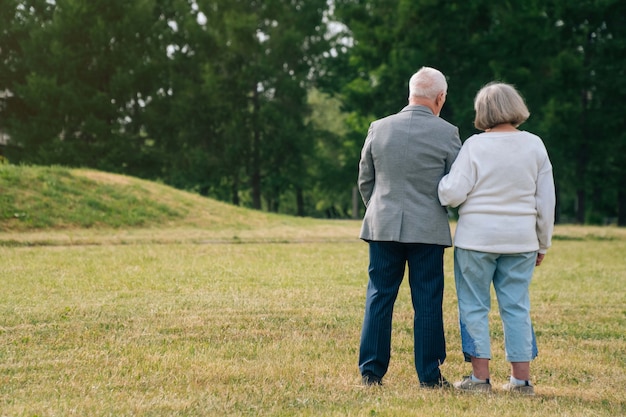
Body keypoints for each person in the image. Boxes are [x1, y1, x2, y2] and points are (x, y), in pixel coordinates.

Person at [438, 82, 556, 395]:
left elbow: (452, 193)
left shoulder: (475, 146)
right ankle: (521, 382)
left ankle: (479, 379)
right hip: (521, 242)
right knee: (516, 307)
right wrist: (542, 243)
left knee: (474, 306)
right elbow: (546, 202)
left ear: (483, 112)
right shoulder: (535, 145)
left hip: (476, 241)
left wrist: (440, 184)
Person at [357, 67, 461, 387]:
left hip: (383, 225)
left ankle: (371, 372)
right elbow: (456, 185)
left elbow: (365, 179)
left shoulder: (379, 127)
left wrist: (378, 210)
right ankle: (429, 377)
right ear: (440, 98)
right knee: (427, 300)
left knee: (380, 296)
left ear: (410, 93)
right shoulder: (449, 133)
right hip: (428, 229)